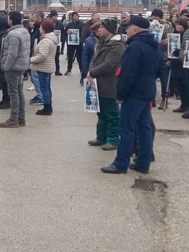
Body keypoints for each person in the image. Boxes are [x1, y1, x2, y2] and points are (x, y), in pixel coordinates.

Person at [101, 15, 159, 174]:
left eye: (128, 27)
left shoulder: (134, 47)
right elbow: (160, 69)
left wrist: (120, 94)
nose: (126, 30)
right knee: (144, 127)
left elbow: (127, 74)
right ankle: (143, 162)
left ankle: (121, 163)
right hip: (147, 90)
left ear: (136, 29)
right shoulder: (153, 45)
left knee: (126, 129)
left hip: (134, 93)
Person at [88, 18, 125, 150]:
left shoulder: (118, 44)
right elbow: (95, 58)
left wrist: (93, 72)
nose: (99, 30)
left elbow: (109, 64)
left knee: (112, 113)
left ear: (109, 30)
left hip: (110, 83)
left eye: (102, 28)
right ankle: (101, 137)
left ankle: (113, 139)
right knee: (101, 112)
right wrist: (90, 71)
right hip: (99, 82)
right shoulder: (103, 42)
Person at [0, 11, 31, 129]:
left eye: (8, 18)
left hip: (14, 67)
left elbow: (12, 53)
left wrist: (6, 67)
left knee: (13, 93)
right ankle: (21, 117)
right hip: (22, 65)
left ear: (11, 20)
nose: (7, 20)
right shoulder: (25, 31)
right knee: (19, 92)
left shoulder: (13, 34)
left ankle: (14, 119)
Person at [29, 18, 59, 116]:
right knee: (47, 87)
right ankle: (48, 105)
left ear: (45, 28)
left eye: (41, 27)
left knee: (44, 88)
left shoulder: (46, 41)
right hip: (48, 66)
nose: (39, 29)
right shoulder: (52, 38)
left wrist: (30, 59)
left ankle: (47, 107)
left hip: (44, 67)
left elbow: (42, 56)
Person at [63, 11, 84, 76]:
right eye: (74, 16)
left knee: (80, 57)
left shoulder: (81, 24)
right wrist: (67, 32)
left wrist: (80, 37)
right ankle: (69, 69)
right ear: (71, 17)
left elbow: (83, 33)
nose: (75, 17)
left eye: (76, 16)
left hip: (79, 43)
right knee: (70, 57)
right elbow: (65, 33)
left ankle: (81, 70)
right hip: (71, 43)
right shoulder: (69, 24)